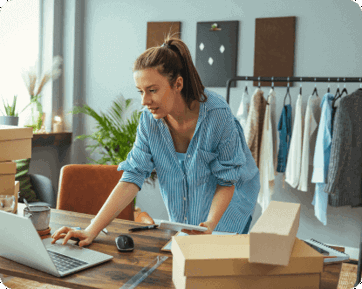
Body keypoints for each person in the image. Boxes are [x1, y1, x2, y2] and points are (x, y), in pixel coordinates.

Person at [51, 33, 260, 247]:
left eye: (152, 90)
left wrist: (210, 223)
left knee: (217, 271)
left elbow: (227, 180)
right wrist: (90, 230)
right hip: (189, 218)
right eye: (140, 91)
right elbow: (132, 176)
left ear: (178, 84)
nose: (145, 101)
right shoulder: (149, 122)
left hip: (229, 209)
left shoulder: (217, 114)